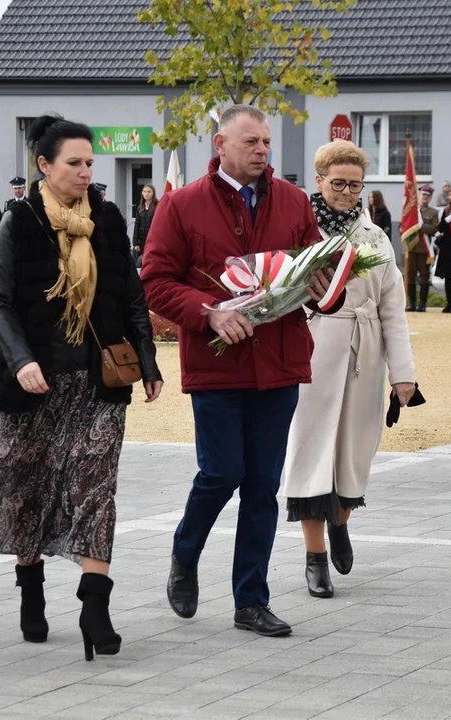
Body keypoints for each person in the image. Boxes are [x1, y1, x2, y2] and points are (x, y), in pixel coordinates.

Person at [0, 114, 164, 662]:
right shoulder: (21, 220)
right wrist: (22, 359)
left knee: (95, 490)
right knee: (24, 486)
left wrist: (147, 362)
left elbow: (130, 297)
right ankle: (30, 588)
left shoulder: (106, 219)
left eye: (89, 164)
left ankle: (94, 605)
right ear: (44, 165)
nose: (85, 173)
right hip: (34, 384)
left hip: (98, 385)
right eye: (74, 164)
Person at [140, 104, 344, 638]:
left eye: (266, 143)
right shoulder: (181, 206)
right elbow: (156, 281)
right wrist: (209, 312)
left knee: (261, 486)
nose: (261, 151)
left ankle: (250, 600)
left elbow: (311, 273)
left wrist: (325, 288)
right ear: (220, 144)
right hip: (217, 363)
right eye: (251, 142)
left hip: (278, 364)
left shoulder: (296, 202)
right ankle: (185, 554)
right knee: (222, 473)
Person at [283, 140, 416, 599]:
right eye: (337, 183)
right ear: (319, 180)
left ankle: (340, 520)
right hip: (313, 348)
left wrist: (404, 372)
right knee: (311, 449)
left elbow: (393, 309)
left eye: (355, 185)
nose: (345, 192)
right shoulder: (299, 228)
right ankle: (314, 556)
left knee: (355, 450)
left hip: (365, 351)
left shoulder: (375, 236)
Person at [407, 184, 439, 312]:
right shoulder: (410, 210)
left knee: (424, 275)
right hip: (411, 248)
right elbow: (403, 227)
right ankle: (412, 303)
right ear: (419, 195)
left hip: (424, 249)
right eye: (423, 194)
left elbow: (434, 229)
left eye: (428, 195)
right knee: (410, 275)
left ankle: (423, 303)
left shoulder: (433, 212)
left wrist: (421, 226)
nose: (425, 197)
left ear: (430, 198)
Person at [133, 183, 158, 267]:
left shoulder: (157, 206)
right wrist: (135, 242)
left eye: (149, 192)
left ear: (153, 193)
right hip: (142, 239)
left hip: (153, 239)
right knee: (142, 261)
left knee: (151, 259)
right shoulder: (140, 207)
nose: (146, 194)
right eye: (144, 191)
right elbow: (136, 225)